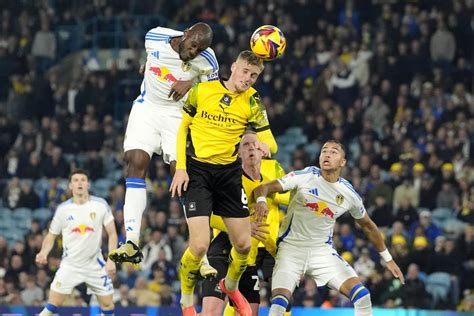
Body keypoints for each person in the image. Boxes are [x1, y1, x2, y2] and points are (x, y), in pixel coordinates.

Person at [170, 50, 278, 316]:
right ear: (233, 68)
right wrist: (181, 169)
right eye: (245, 72)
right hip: (198, 172)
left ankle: (230, 285)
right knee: (199, 245)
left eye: (254, 75)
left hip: (229, 175)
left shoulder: (253, 101)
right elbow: (183, 127)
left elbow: (271, 142)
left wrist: (264, 145)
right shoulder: (202, 90)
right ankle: (186, 300)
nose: (248, 78)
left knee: (243, 245)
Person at [253, 140, 405, 316]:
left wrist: (388, 259)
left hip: (321, 252)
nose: (327, 154)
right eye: (324, 151)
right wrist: (262, 202)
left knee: (363, 297)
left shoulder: (348, 193)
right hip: (291, 249)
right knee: (279, 305)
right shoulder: (305, 176)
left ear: (343, 162)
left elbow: (368, 226)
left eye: (334, 152)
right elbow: (263, 188)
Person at [109, 22, 219, 264]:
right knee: (136, 161)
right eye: (192, 46)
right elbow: (150, 59)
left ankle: (200, 252)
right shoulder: (155, 36)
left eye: (198, 51)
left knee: (180, 175)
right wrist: (146, 67)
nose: (193, 53)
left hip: (178, 116)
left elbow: (215, 89)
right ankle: (131, 242)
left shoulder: (208, 59)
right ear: (186, 33)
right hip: (147, 108)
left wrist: (192, 83)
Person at [200, 132, 289, 316]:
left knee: (250, 312)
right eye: (246, 145)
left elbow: (293, 198)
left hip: (248, 258)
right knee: (211, 311)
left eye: (255, 144)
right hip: (224, 248)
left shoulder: (270, 183)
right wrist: (244, 226)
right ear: (238, 153)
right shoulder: (229, 179)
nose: (251, 148)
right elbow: (210, 215)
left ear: (262, 150)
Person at [35, 169, 118, 316]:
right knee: (53, 304)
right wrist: (43, 252)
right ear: (70, 186)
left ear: (88, 184)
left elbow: (112, 234)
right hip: (70, 265)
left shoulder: (100, 205)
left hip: (95, 264)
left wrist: (111, 260)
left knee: (108, 304)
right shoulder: (63, 210)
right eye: (76, 180)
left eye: (83, 180)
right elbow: (51, 236)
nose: (79, 183)